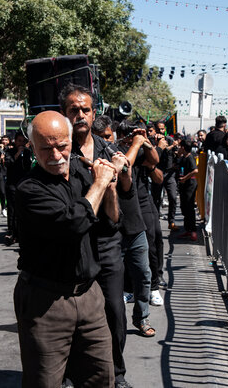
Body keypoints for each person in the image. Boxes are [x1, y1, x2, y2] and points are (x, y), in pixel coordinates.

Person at [14, 111, 116, 388]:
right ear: (33, 148)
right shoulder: (29, 189)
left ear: (72, 142)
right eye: (46, 148)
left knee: (101, 377)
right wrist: (99, 183)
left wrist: (111, 183)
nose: (56, 155)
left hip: (90, 296)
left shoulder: (82, 175)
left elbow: (112, 222)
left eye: (62, 146)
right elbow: (75, 224)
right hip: (46, 302)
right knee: (45, 381)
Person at [60, 84, 135, 388]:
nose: (80, 115)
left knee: (115, 312)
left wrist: (123, 173)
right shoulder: (58, 151)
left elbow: (128, 193)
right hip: (72, 246)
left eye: (85, 109)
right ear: (65, 113)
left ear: (94, 113)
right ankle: (67, 376)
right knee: (69, 318)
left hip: (106, 244)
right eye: (73, 110)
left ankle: (117, 374)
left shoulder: (109, 150)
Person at [114, 121, 162, 325]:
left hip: (141, 203)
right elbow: (125, 165)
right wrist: (135, 143)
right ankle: (128, 290)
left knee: (149, 247)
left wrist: (146, 143)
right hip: (118, 205)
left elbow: (154, 160)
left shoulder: (140, 146)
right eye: (128, 134)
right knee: (122, 256)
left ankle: (152, 290)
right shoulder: (113, 150)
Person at [4, 131, 32, 245]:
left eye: (23, 141)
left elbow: (28, 167)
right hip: (12, 184)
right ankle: (11, 231)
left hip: (23, 184)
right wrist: (17, 154)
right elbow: (8, 163)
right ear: (15, 141)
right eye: (19, 141)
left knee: (21, 209)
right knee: (12, 209)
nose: (21, 143)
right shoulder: (9, 151)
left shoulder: (27, 153)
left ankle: (20, 232)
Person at [151, 122, 179, 231]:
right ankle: (155, 221)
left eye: (162, 129)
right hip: (157, 172)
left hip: (169, 173)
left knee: (172, 197)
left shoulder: (170, 140)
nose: (161, 131)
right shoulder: (153, 141)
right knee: (156, 199)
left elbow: (175, 153)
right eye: (159, 129)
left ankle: (171, 221)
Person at [176, 139, 199, 241]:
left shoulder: (190, 158)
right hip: (183, 186)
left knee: (189, 207)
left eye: (180, 147)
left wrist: (185, 178)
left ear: (183, 148)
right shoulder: (183, 158)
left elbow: (195, 170)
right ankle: (187, 230)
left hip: (190, 185)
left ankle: (193, 231)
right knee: (184, 207)